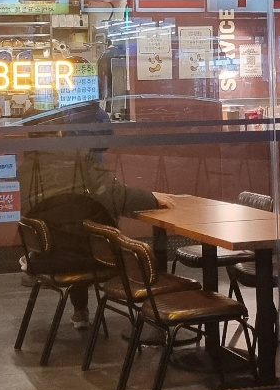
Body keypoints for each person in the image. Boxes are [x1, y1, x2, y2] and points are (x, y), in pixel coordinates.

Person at [20, 103, 175, 329]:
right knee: (93, 234)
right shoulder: (78, 156)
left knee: (73, 226)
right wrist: (152, 199)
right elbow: (115, 195)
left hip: (48, 256)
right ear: (61, 130)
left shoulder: (27, 167)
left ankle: (80, 312)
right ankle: (158, 321)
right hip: (86, 256)